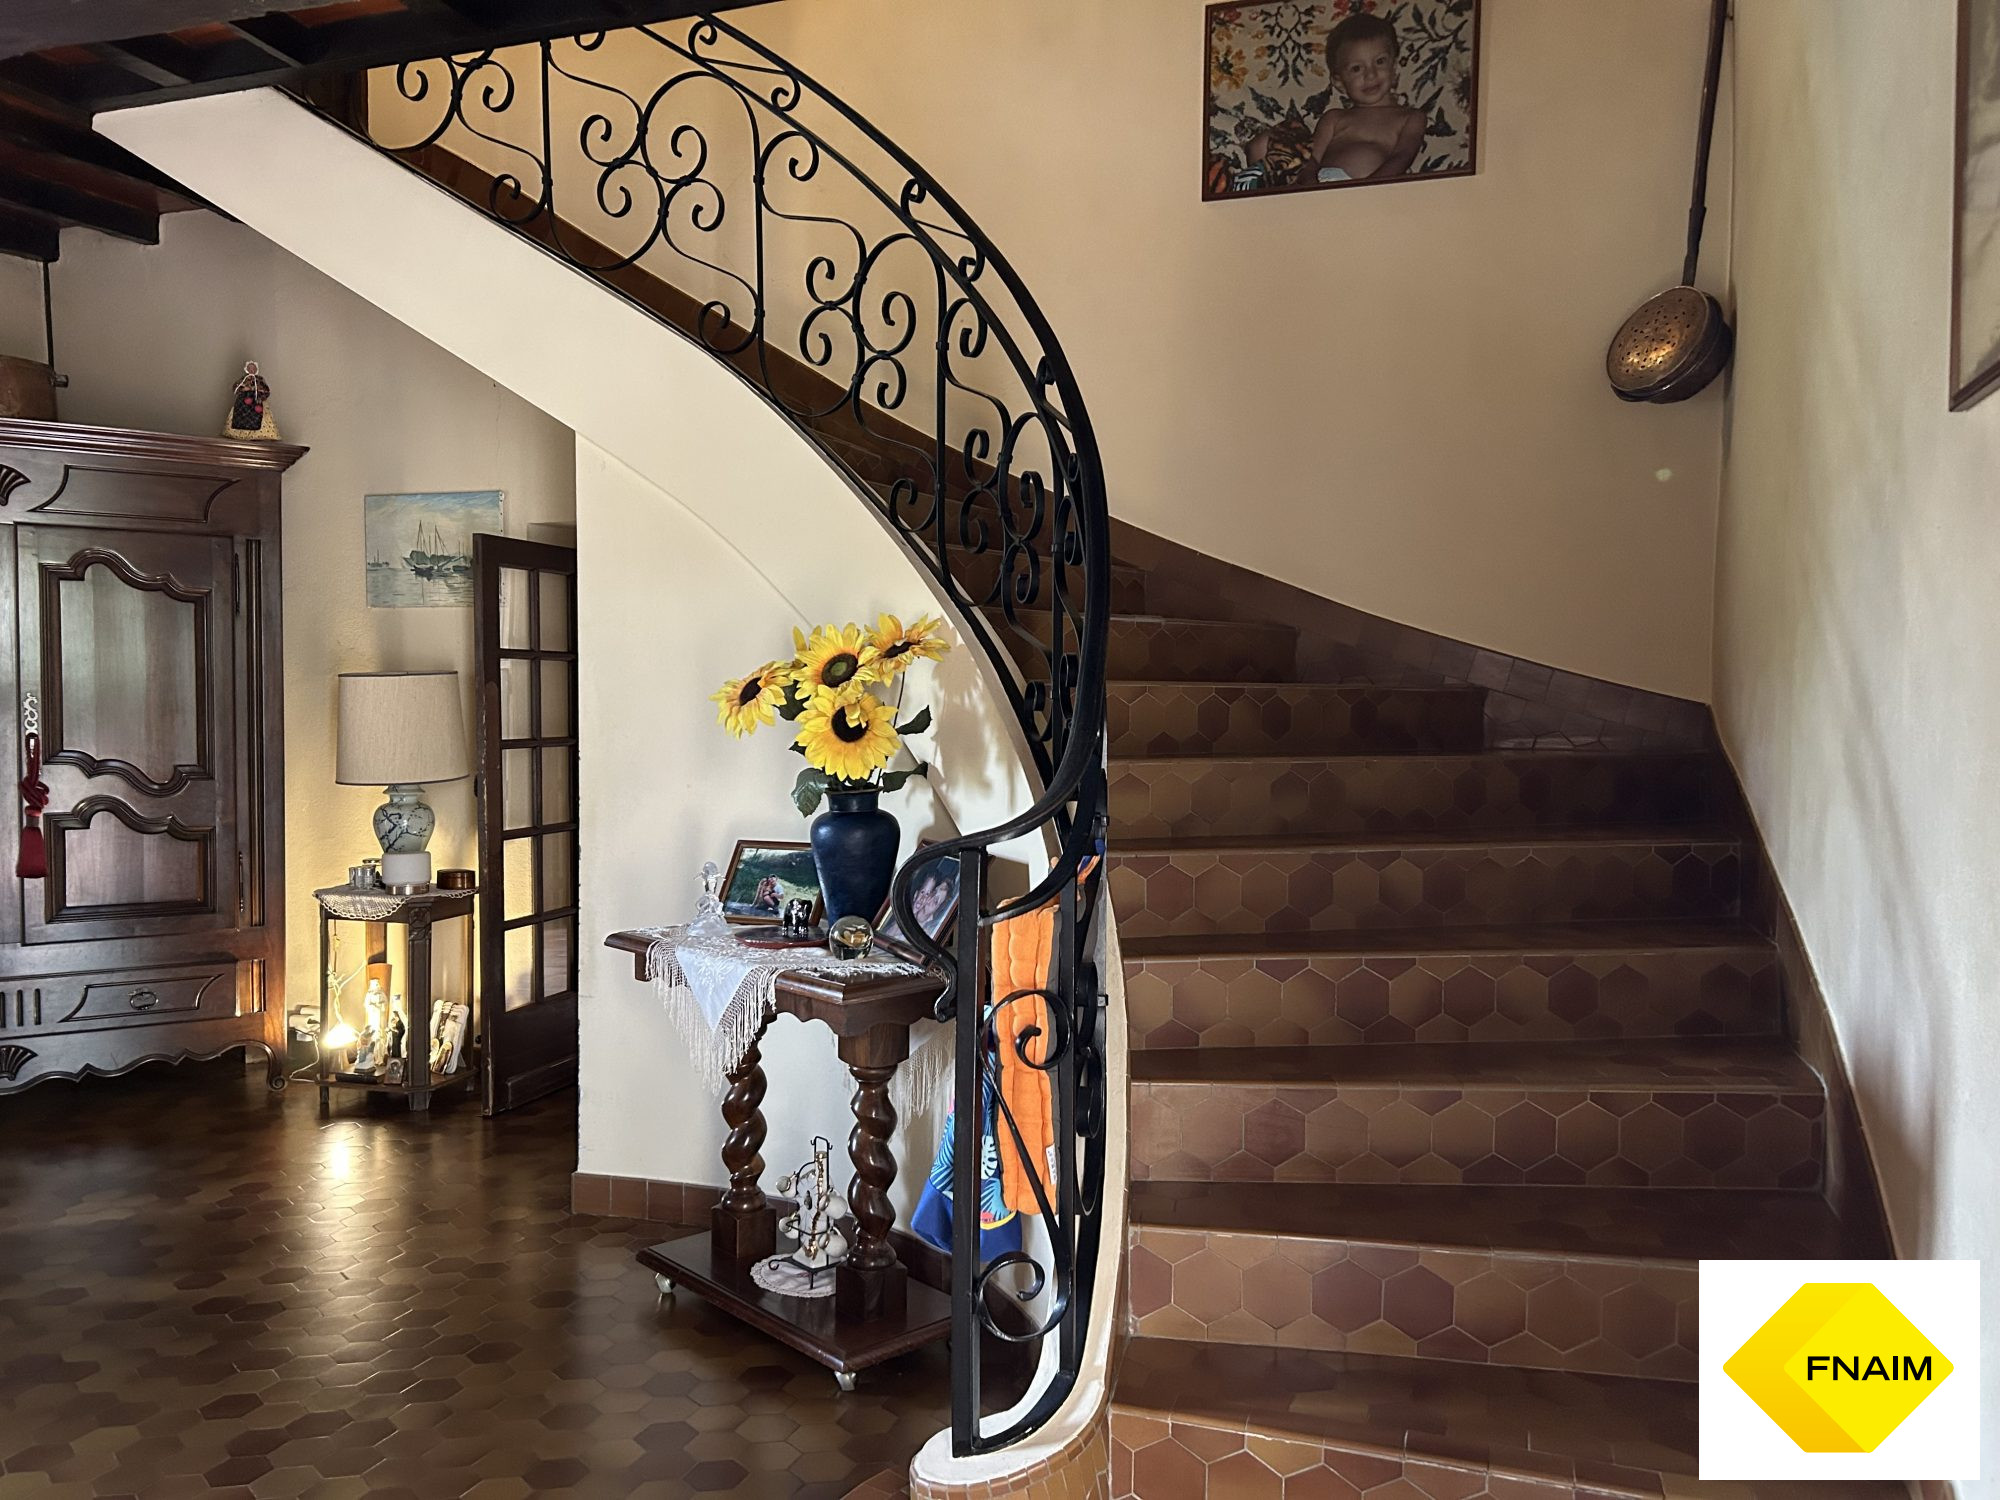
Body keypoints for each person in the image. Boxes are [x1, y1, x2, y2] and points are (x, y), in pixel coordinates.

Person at [1304, 12, 1428, 183]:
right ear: (1339, 82)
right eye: (1356, 68)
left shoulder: (1411, 117)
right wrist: (1311, 188)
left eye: (1380, 61)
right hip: (1328, 187)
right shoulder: (1333, 118)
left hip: (1378, 189)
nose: (1371, 75)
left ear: (1394, 67)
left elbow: (1402, 157)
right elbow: (1310, 161)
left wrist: (1369, 188)